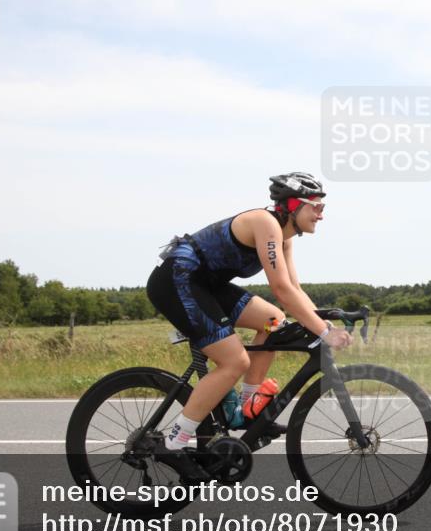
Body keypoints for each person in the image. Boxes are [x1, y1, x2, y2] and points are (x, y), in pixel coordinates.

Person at [145, 172, 353, 481]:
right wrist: (324, 332)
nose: (321, 215)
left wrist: (322, 322)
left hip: (207, 285)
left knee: (274, 321)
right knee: (235, 361)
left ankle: (247, 409)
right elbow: (281, 290)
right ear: (294, 205)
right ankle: (174, 443)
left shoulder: (284, 237)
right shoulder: (265, 224)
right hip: (178, 280)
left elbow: (294, 289)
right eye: (316, 207)